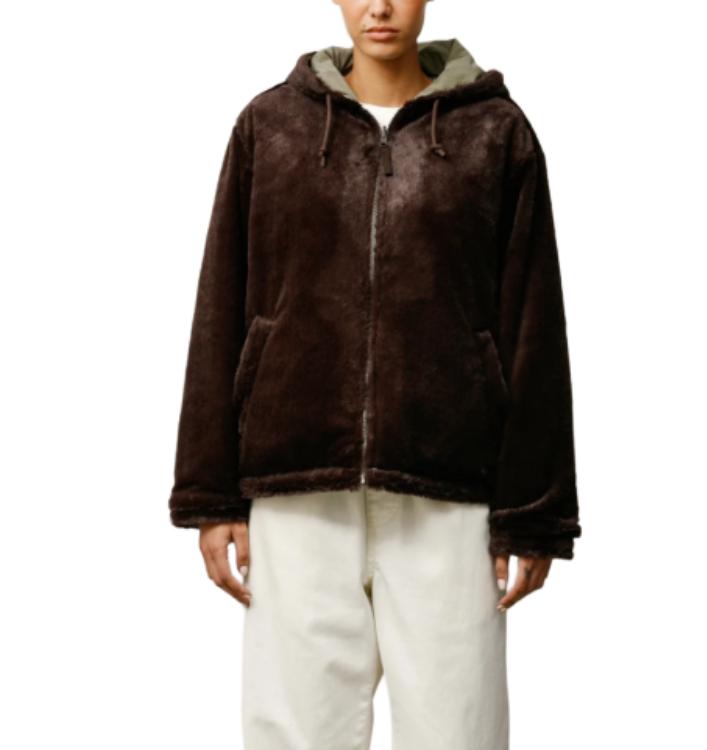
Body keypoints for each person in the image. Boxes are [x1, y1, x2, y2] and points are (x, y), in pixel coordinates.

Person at [167, 1, 582, 747]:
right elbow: (221, 304)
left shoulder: (497, 133)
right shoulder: (271, 125)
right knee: (296, 735)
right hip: (297, 489)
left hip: (449, 493)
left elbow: (533, 324)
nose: (380, 6)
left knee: (458, 733)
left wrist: (535, 511)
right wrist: (209, 491)